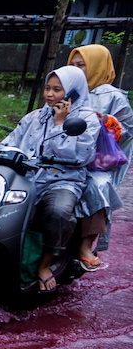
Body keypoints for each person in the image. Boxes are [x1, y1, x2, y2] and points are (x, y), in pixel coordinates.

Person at [0, 66, 100, 292]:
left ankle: (45, 264)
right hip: (28, 178)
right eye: (47, 88)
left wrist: (60, 123)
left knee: (58, 211)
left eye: (57, 89)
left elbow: (80, 156)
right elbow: (11, 142)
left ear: (73, 92)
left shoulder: (86, 120)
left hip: (63, 180)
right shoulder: (35, 116)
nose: (49, 94)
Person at [68, 44, 132, 271]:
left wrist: (106, 120)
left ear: (96, 66)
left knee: (98, 187)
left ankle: (86, 245)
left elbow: (127, 130)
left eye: (81, 65)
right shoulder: (67, 89)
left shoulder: (113, 96)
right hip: (64, 155)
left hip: (96, 163)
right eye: (72, 65)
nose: (76, 70)